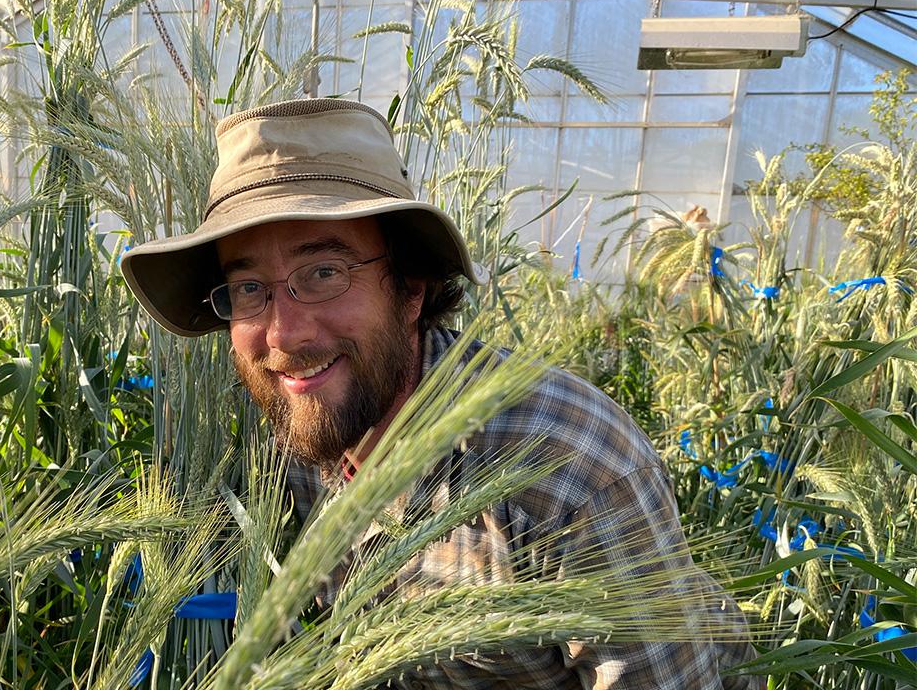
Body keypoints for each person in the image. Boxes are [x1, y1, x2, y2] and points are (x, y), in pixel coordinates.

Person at [119, 98, 757, 689]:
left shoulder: (569, 471)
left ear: (412, 288)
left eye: (323, 273)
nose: (284, 333)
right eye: (250, 288)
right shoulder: (302, 428)